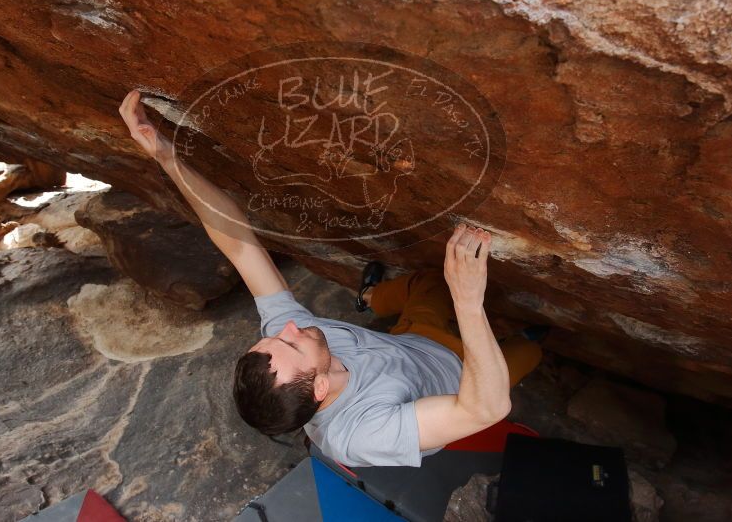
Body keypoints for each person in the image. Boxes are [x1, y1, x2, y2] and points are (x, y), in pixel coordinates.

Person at [119, 89, 543, 467]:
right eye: (290, 342)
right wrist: (468, 301)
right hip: (462, 377)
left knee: (428, 284)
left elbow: (239, 244)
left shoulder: (293, 349)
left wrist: (167, 157)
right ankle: (532, 337)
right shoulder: (361, 435)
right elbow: (483, 409)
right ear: (320, 387)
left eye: (274, 336)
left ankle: (372, 297)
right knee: (531, 351)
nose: (288, 326)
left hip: (416, 340)